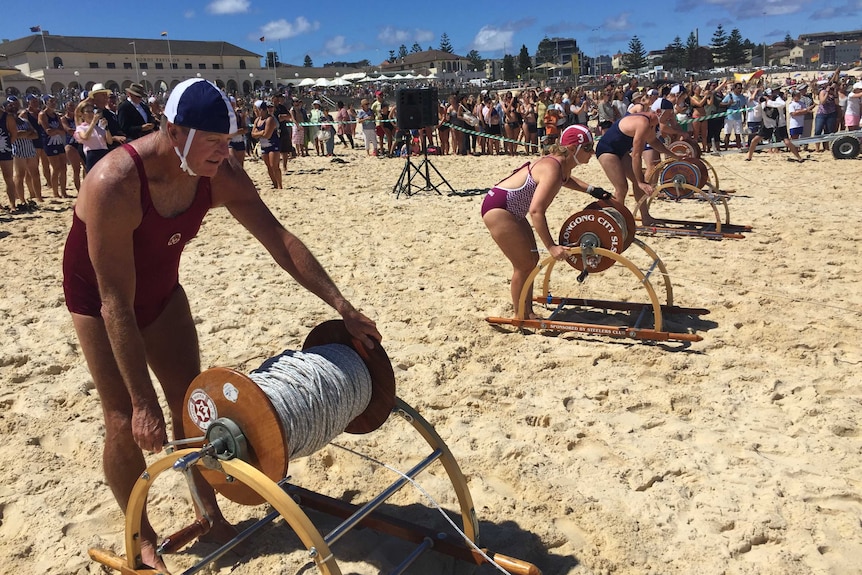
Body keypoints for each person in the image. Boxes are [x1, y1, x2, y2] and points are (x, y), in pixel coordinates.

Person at [61, 78, 381, 573]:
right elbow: (114, 303)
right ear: (172, 130)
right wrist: (143, 402)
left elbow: (278, 237)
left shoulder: (220, 172)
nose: (223, 152)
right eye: (212, 142)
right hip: (100, 300)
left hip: (161, 292)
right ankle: (142, 539)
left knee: (191, 403)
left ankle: (208, 511)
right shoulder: (114, 183)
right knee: (126, 419)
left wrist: (341, 304)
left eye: (228, 140)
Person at [481, 125, 611, 318]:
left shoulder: (560, 166)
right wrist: (551, 246)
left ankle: (527, 312)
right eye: (588, 148)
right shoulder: (553, 167)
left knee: (532, 262)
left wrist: (592, 190)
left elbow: (566, 180)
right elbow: (536, 211)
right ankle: (520, 316)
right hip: (499, 209)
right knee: (523, 265)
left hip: (510, 208)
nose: (592, 152)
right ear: (573, 148)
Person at [595, 109, 681, 226]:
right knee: (622, 187)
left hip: (620, 151)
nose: (671, 117)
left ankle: (646, 217)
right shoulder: (643, 122)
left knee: (638, 181)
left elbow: (653, 142)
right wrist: (640, 182)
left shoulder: (650, 123)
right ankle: (616, 221)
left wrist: (674, 156)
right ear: (660, 112)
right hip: (606, 150)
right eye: (669, 114)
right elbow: (636, 155)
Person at [745, 89, 804, 163]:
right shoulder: (763, 104)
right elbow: (757, 115)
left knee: (787, 142)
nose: (769, 96)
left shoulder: (777, 100)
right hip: (768, 125)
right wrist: (759, 105)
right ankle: (749, 156)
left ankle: (799, 158)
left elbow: (782, 104)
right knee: (755, 140)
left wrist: (769, 102)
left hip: (779, 125)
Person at [39, 95, 69, 199]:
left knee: (63, 168)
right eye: (51, 101)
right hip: (49, 143)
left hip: (58, 142)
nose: (53, 103)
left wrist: (55, 131)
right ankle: (55, 192)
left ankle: (64, 192)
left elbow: (62, 131)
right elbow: (48, 131)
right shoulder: (43, 114)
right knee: (56, 168)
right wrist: (56, 131)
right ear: (45, 103)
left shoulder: (56, 115)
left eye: (54, 101)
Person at [250, 100, 281, 189]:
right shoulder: (257, 120)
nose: (255, 111)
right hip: (264, 145)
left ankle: (279, 185)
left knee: (274, 166)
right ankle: (275, 184)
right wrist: (262, 132)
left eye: (256, 110)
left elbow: (267, 135)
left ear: (261, 109)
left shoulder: (270, 119)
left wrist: (259, 133)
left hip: (273, 144)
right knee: (268, 167)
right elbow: (253, 134)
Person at [75, 101, 114, 171]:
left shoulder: (99, 128)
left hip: (104, 153)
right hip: (92, 154)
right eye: (88, 111)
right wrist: (93, 123)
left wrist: (106, 128)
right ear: (83, 115)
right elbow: (85, 137)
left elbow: (110, 141)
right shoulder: (81, 128)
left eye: (92, 111)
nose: (90, 114)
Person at [1, 97, 18, 210]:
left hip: (5, 149)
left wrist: (7, 145)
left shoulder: (7, 117)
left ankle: (12, 204)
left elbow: (14, 134)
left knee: (8, 177)